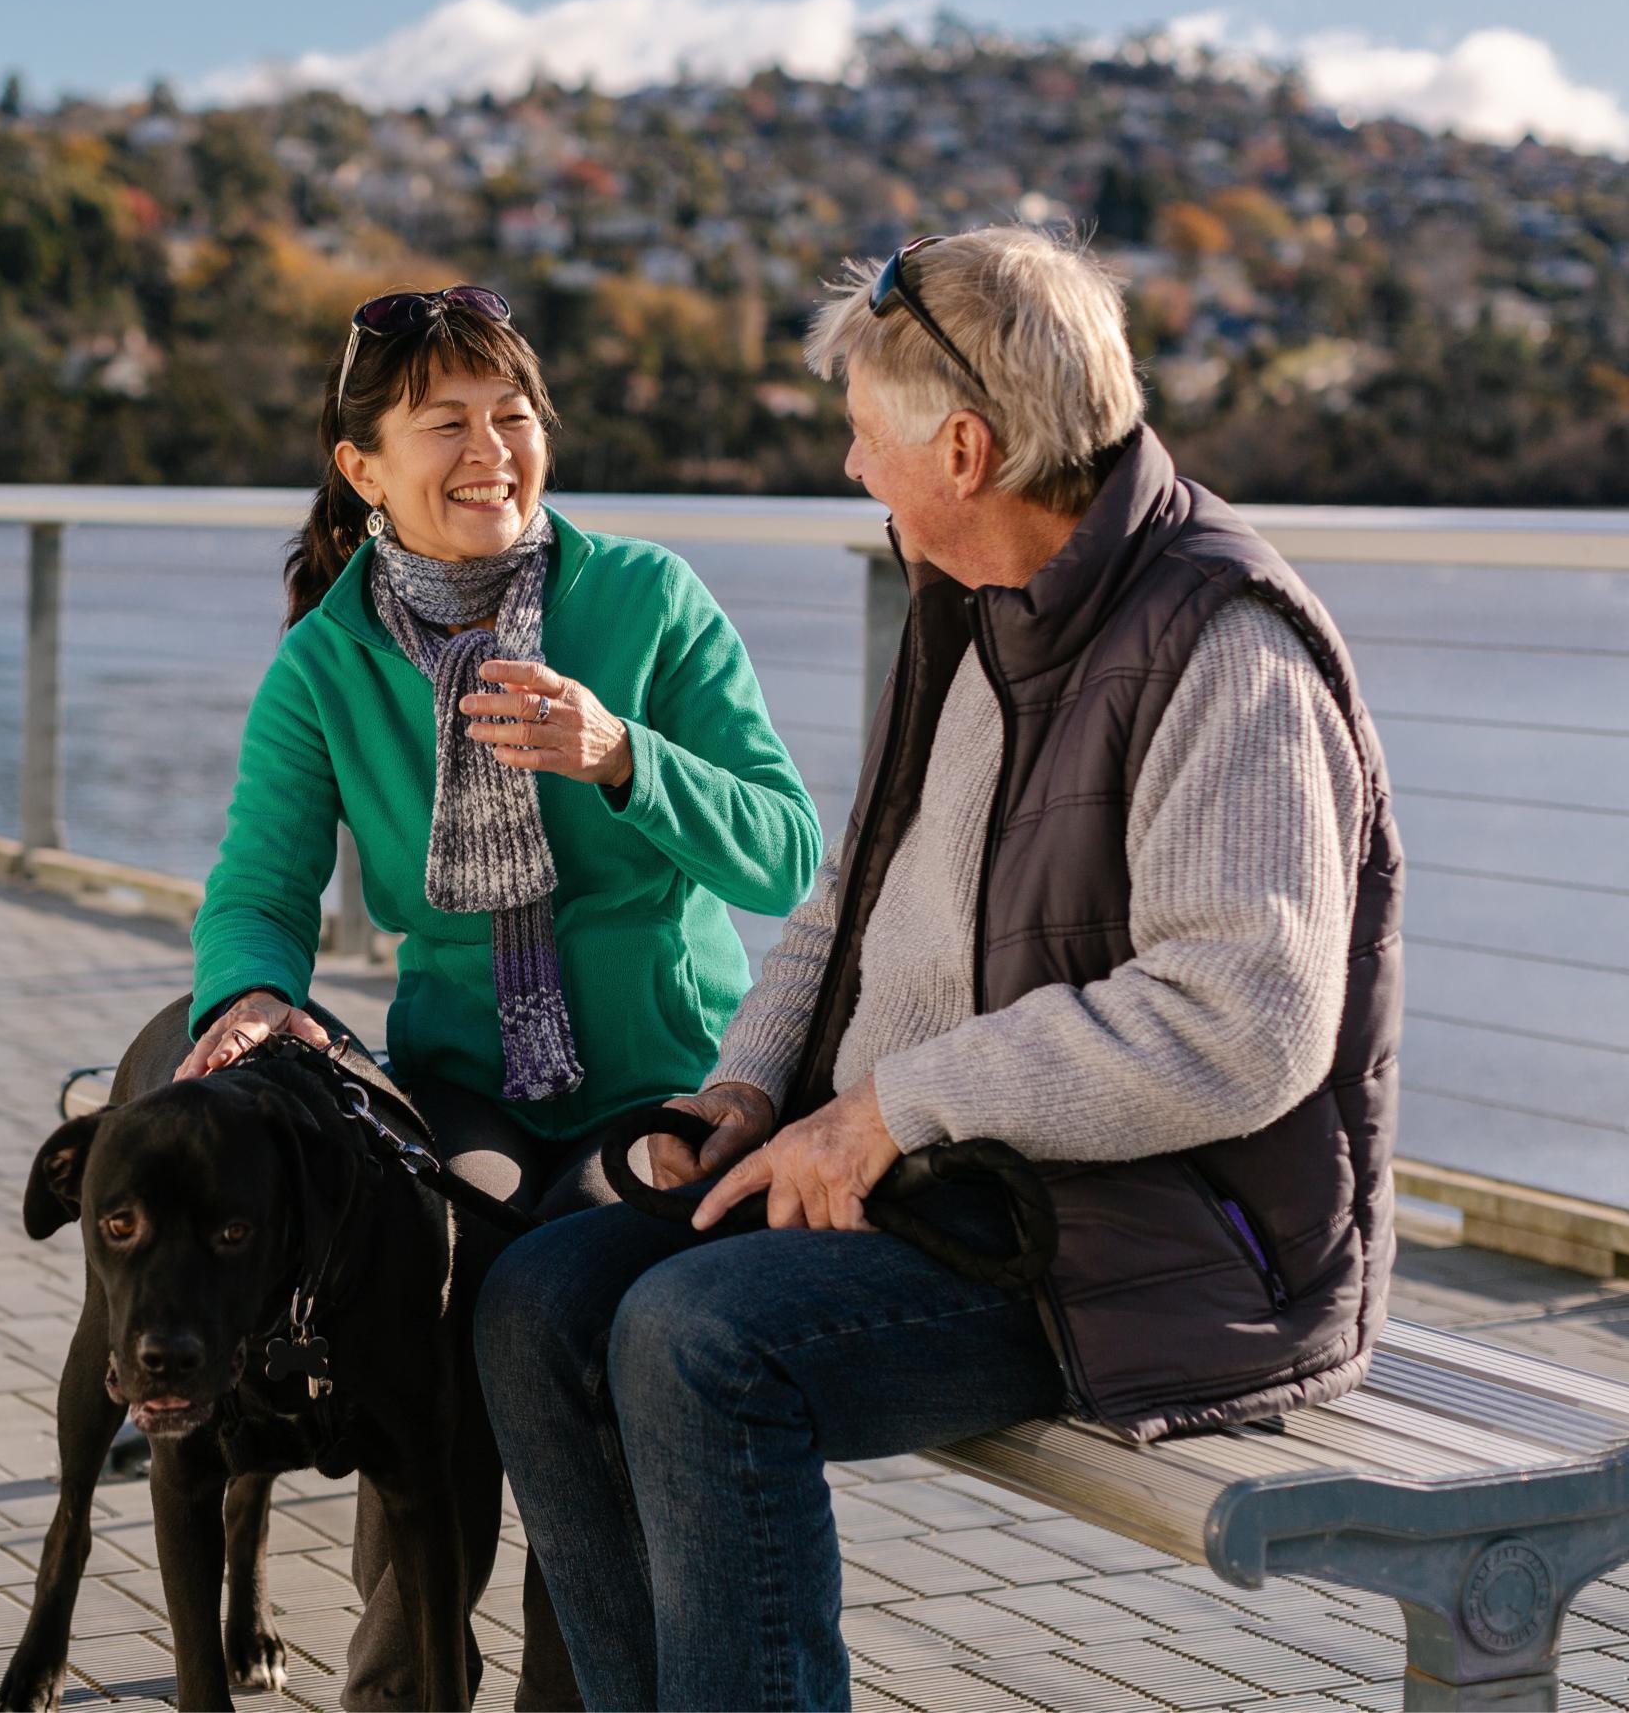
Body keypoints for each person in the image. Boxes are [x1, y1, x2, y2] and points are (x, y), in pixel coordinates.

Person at [476, 225, 1404, 1711]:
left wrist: (897, 1108)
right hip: (964, 1193)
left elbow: (1249, 1021)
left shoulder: (1223, 644)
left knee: (699, 1343)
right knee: (538, 1300)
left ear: (963, 449)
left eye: (864, 439)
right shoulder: (970, 608)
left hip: (1157, 1248)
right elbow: (856, 889)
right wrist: (751, 1088)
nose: (853, 469)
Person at [174, 284, 822, 1708]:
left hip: (667, 1077)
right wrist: (254, 998)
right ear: (364, 469)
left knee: (572, 1314)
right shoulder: (326, 665)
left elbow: (790, 848)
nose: (491, 450)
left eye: (513, 415)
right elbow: (260, 889)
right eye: (444, 424)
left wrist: (623, 756)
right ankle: (403, 1685)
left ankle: (570, 1691)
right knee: (427, 1309)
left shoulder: (644, 599)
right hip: (464, 1078)